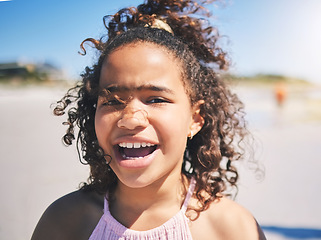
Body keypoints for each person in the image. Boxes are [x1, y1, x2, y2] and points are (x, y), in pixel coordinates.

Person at [31, 0, 266, 239]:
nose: (130, 120)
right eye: (112, 101)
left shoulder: (234, 229)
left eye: (155, 99)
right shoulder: (64, 221)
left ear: (195, 119)